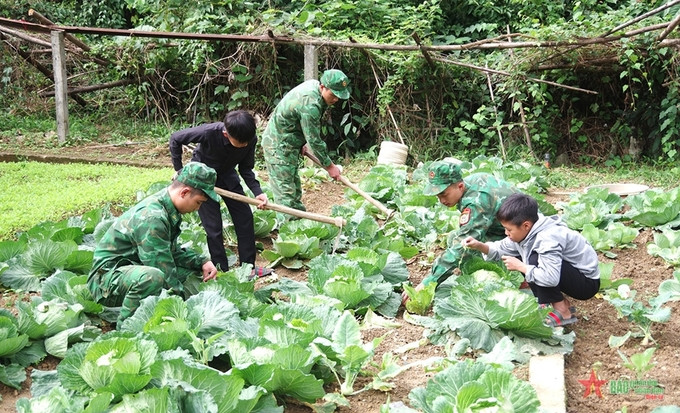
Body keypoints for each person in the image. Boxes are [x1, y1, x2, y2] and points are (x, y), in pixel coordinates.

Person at [87, 162, 220, 325]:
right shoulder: (153, 217)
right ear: (184, 192)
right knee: (153, 277)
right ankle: (128, 328)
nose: (197, 208)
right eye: (198, 202)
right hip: (106, 281)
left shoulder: (166, 206)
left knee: (189, 271)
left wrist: (202, 262)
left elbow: (170, 251)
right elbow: (160, 265)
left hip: (131, 269)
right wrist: (179, 309)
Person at [462, 193, 600, 327]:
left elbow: (550, 278)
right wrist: (479, 246)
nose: (506, 233)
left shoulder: (547, 238)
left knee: (532, 260)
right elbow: (502, 247)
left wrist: (521, 267)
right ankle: (559, 304)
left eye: (509, 230)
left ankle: (563, 311)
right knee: (525, 258)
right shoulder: (529, 229)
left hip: (586, 283)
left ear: (526, 225)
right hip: (569, 273)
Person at [169, 110, 270, 275]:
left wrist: (258, 192)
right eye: (241, 142)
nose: (245, 145)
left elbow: (246, 168)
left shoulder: (249, 139)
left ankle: (248, 268)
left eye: (247, 142)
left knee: (244, 217)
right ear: (226, 134)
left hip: (227, 175)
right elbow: (176, 138)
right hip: (204, 178)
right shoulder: (209, 132)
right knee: (213, 227)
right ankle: (221, 270)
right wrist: (179, 170)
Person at [404, 160, 521, 302]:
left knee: (466, 247)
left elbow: (463, 244)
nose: (441, 200)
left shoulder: (477, 200)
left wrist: (427, 283)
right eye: (438, 196)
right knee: (456, 238)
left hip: (524, 237)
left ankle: (522, 276)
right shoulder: (471, 182)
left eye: (444, 194)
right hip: (504, 228)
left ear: (460, 186)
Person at [261, 69, 351, 212]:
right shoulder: (311, 104)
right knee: (286, 193)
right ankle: (288, 229)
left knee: (294, 188)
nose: (335, 100)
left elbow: (298, 120)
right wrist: (329, 166)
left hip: (288, 140)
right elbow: (314, 140)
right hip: (277, 145)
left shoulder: (314, 87)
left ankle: (297, 225)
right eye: (333, 95)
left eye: (338, 96)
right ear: (323, 87)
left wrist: (300, 142)